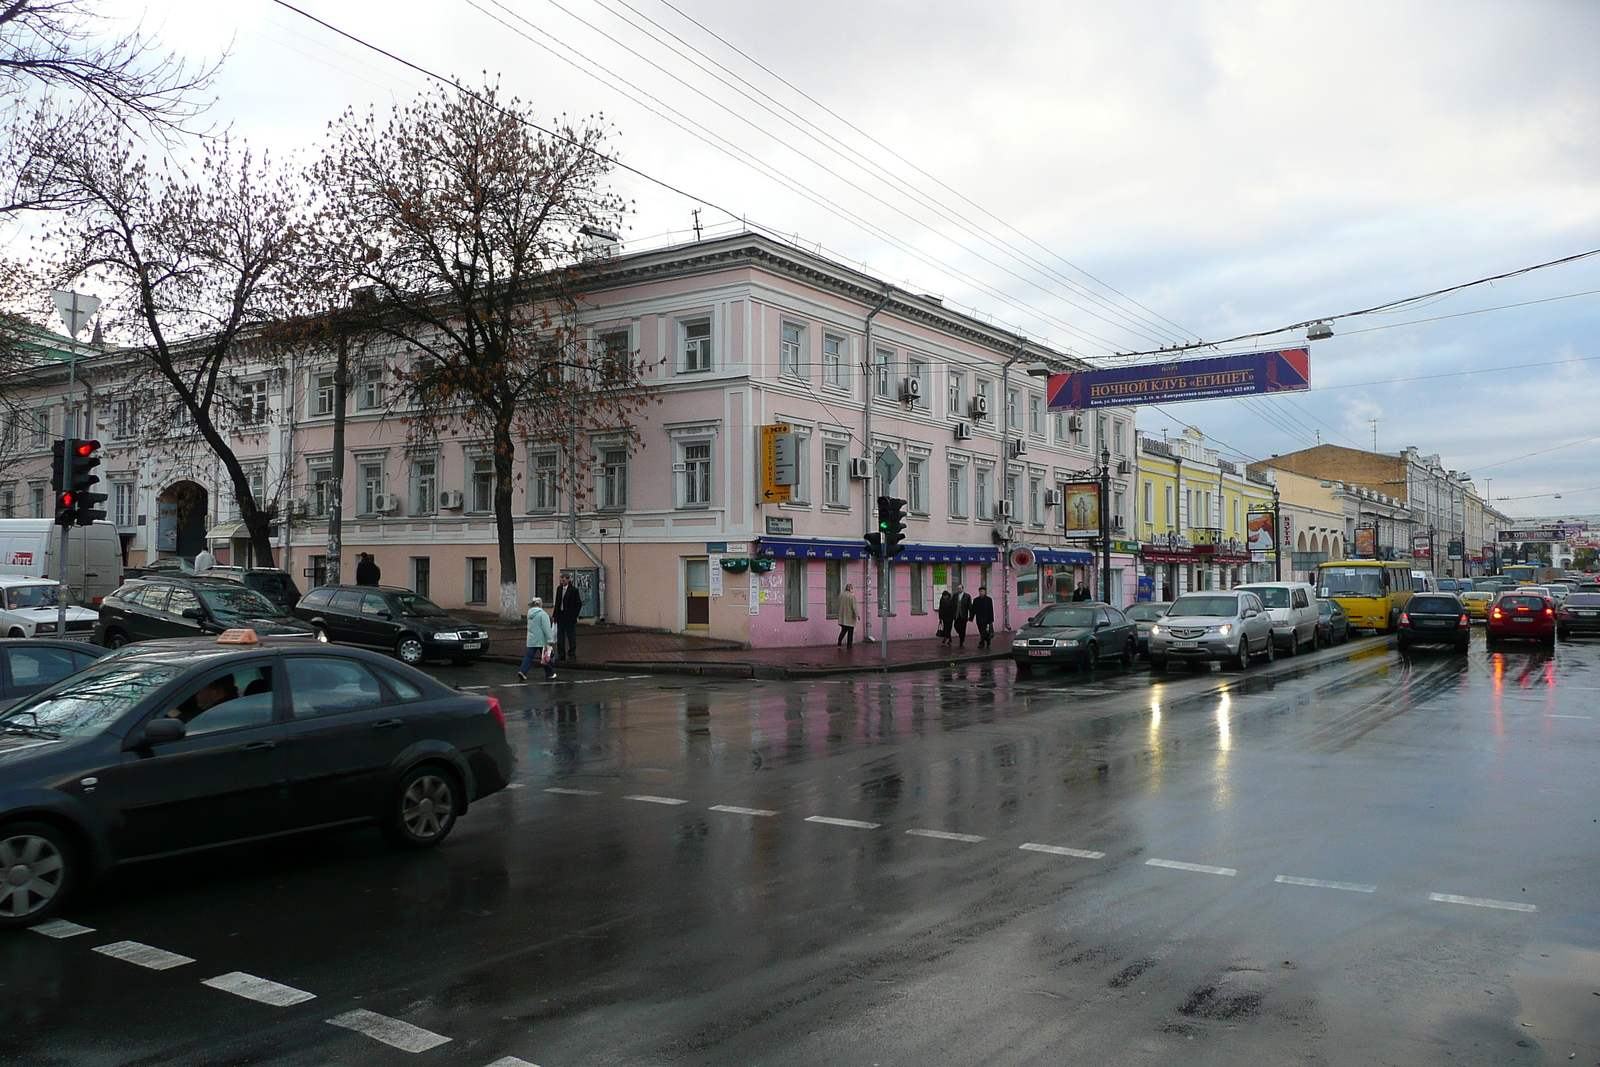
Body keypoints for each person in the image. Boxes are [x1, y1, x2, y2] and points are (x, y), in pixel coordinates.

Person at [518, 596, 557, 681]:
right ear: (540, 604)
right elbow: (546, 628)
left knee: (529, 656)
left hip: (531, 639)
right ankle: (549, 673)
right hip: (541, 639)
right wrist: (550, 639)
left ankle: (523, 671)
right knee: (545, 657)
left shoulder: (529, 614)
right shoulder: (542, 614)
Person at [552, 573, 583, 662]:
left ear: (568, 580)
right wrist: (554, 615)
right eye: (561, 580)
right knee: (560, 637)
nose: (562, 582)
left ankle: (572, 654)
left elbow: (578, 604)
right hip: (560, 616)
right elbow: (557, 603)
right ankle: (561, 654)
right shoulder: (559, 589)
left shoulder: (573, 590)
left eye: (564, 580)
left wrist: (574, 616)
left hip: (569, 617)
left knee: (571, 637)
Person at [836, 582, 859, 649]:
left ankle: (840, 639)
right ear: (850, 588)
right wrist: (857, 614)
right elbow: (854, 606)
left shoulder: (841, 595)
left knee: (844, 629)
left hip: (842, 616)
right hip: (850, 616)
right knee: (850, 631)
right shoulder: (852, 596)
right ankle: (849, 644)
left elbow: (838, 604)